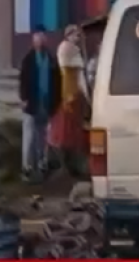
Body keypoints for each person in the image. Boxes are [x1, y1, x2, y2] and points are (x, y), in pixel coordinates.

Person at [18, 31, 60, 182]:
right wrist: (24, 98)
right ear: (33, 41)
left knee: (43, 136)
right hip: (31, 102)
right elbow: (23, 80)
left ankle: (42, 164)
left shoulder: (51, 59)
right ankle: (27, 167)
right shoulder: (28, 60)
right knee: (29, 136)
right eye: (37, 39)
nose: (40, 42)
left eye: (42, 39)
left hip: (46, 102)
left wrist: (56, 102)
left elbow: (57, 81)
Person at [51, 26, 89, 175]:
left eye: (79, 36)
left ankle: (70, 164)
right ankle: (65, 164)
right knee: (66, 131)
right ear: (69, 35)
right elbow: (72, 75)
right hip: (69, 94)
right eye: (75, 35)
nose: (78, 38)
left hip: (74, 94)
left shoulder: (72, 49)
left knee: (72, 131)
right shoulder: (67, 49)